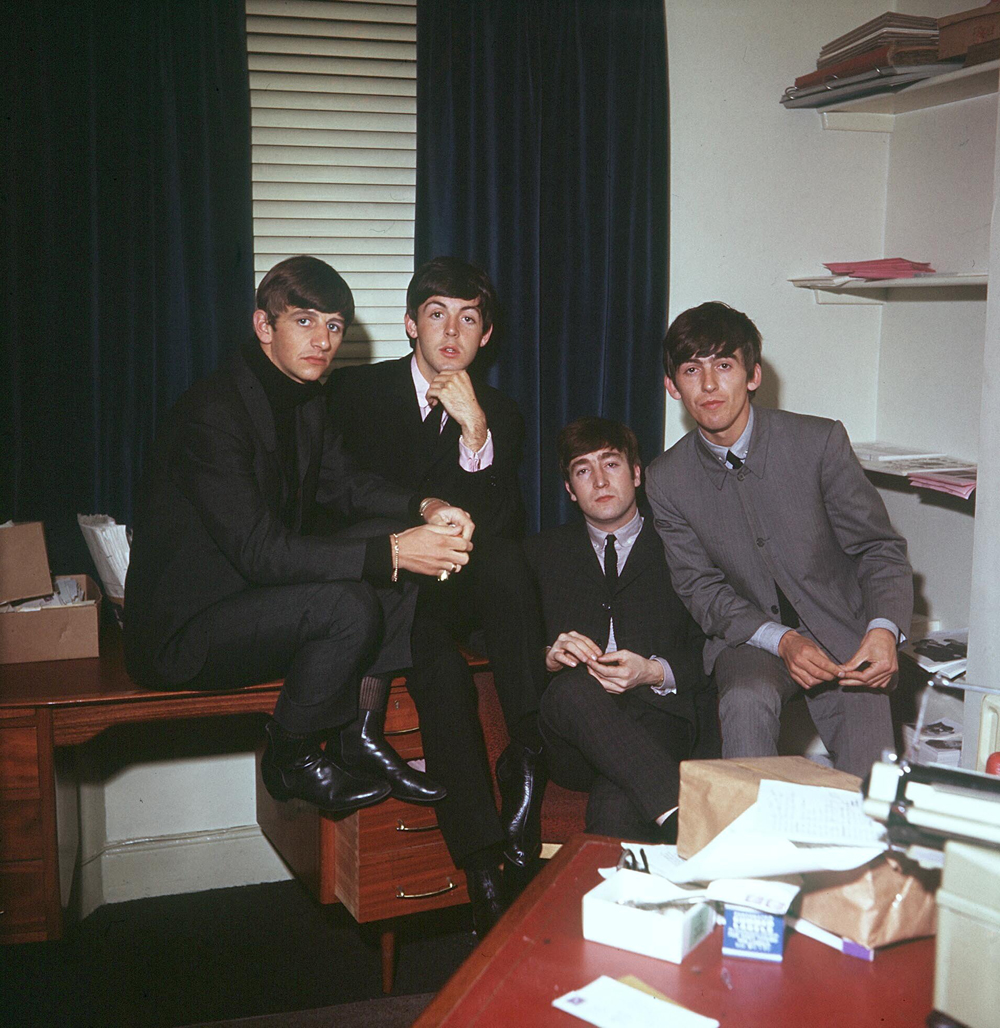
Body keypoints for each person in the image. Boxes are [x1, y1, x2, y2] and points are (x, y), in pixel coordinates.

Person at [124, 255, 473, 815]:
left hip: (249, 602)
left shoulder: (304, 400)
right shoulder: (211, 414)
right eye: (305, 321)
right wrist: (392, 552)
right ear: (264, 327)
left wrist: (425, 507)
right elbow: (260, 552)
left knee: (396, 538)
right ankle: (288, 757)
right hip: (185, 631)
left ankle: (358, 733)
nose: (323, 340)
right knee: (350, 602)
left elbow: (347, 487)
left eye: (334, 325)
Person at [327, 257, 549, 923]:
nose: (451, 330)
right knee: (442, 678)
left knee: (508, 562)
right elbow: (338, 503)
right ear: (409, 325)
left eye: (469, 318)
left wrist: (475, 435)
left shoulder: (499, 412)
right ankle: (481, 864)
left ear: (486, 336)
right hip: (397, 590)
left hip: (466, 583)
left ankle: (531, 748)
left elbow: (503, 526)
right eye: (436, 314)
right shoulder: (356, 395)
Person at [646, 301, 913, 777]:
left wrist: (883, 630)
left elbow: (879, 548)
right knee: (746, 700)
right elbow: (701, 589)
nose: (709, 385)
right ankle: (750, 841)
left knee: (872, 789)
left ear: (753, 375)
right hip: (749, 640)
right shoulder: (666, 479)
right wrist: (783, 640)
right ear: (672, 386)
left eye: (724, 365)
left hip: (843, 628)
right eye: (692, 370)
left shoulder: (819, 443)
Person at [523, 418, 717, 841]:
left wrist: (652, 671)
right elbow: (491, 638)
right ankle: (689, 818)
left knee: (617, 805)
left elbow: (716, 647)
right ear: (571, 490)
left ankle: (667, 824)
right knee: (571, 688)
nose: (599, 480)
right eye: (582, 470)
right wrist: (547, 656)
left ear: (636, 473)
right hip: (575, 740)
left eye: (610, 464)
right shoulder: (541, 553)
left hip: (660, 722)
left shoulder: (683, 547)